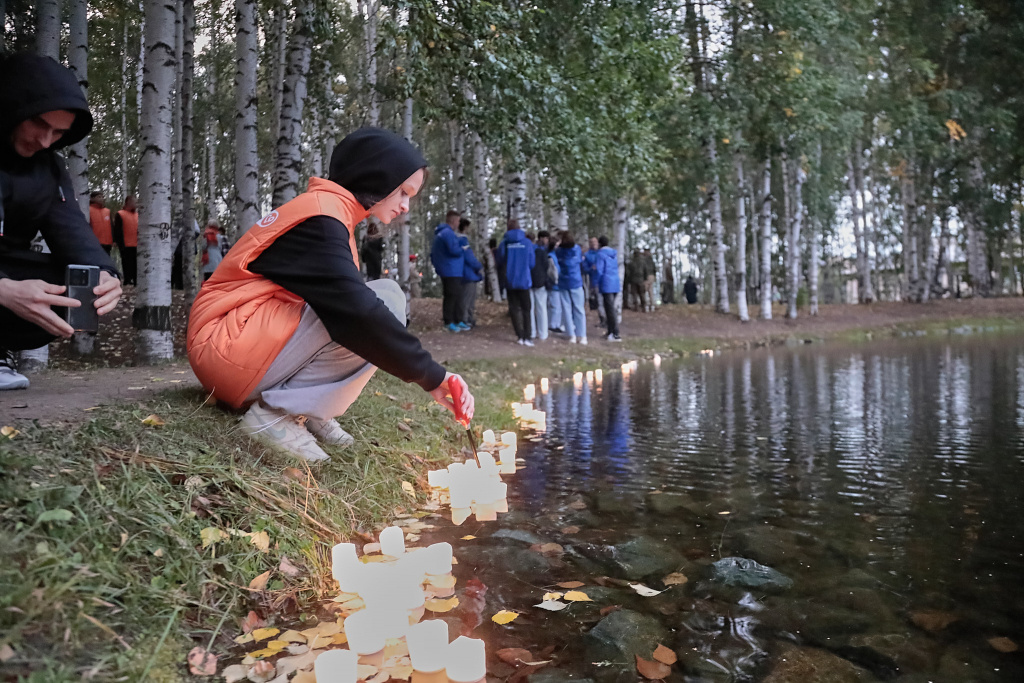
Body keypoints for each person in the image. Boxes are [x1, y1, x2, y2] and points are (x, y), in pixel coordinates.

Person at [187, 127, 474, 462]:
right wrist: (434, 376)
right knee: (385, 301)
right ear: (378, 177)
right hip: (225, 348)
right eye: (403, 193)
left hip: (232, 346)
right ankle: (277, 414)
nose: (406, 206)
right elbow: (356, 314)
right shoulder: (321, 219)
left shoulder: (328, 212)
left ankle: (307, 410)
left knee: (366, 302)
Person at [0, 53, 122, 391]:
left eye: (58, 133)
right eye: (38, 123)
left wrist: (106, 274)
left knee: (76, 286)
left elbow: (71, 232)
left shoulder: (49, 167)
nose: (44, 140)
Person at [496, 219, 534, 345]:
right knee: (526, 309)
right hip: (524, 280)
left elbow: (500, 259)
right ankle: (528, 337)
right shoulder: (527, 243)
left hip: (510, 280)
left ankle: (520, 335)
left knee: (514, 308)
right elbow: (532, 262)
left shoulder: (505, 243)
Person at [430, 209, 464, 333]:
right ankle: (449, 321)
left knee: (453, 295)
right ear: (454, 221)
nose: (459, 224)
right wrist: (462, 248)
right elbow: (454, 250)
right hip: (451, 270)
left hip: (448, 269)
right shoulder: (448, 233)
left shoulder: (441, 233)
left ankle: (455, 320)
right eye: (458, 221)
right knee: (451, 295)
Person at [555, 230, 587, 345]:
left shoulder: (559, 251)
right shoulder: (577, 249)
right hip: (576, 281)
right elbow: (581, 261)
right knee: (579, 309)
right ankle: (582, 336)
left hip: (563, 282)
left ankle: (571, 335)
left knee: (566, 309)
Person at [593, 236, 622, 341]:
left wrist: (595, 283)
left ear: (600, 244)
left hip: (606, 283)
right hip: (615, 282)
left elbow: (600, 270)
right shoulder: (613, 254)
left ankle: (616, 333)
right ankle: (610, 332)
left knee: (610, 310)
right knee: (610, 309)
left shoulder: (600, 254)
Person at [528, 230, 555, 341]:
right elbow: (546, 266)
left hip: (529, 281)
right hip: (540, 281)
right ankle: (543, 333)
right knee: (542, 307)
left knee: (530, 308)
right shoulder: (542, 251)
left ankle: (532, 332)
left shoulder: (527, 251)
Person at [457, 218, 482, 329]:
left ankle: (468, 318)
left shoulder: (458, 240)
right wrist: (478, 266)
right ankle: (465, 319)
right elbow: (469, 258)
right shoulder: (462, 241)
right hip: (467, 274)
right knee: (467, 299)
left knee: (468, 298)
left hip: (465, 273)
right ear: (465, 227)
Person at [112, 194, 138, 285]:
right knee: (126, 263)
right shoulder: (120, 214)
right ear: (128, 202)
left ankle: (136, 281)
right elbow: (117, 229)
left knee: (136, 264)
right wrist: (116, 241)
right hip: (125, 244)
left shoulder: (137, 215)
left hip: (137, 244)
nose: (136, 203)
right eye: (135, 201)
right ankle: (127, 281)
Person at [583, 236, 605, 326]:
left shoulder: (602, 253)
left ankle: (609, 318)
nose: (593, 244)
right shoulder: (587, 255)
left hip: (605, 280)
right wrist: (591, 268)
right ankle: (602, 319)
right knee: (599, 301)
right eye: (591, 242)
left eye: (595, 242)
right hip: (595, 280)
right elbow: (584, 268)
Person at [642, 248, 657, 312]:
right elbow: (654, 269)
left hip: (647, 276)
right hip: (651, 276)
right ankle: (651, 306)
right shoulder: (651, 260)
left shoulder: (644, 260)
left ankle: (647, 306)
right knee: (650, 292)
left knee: (646, 291)